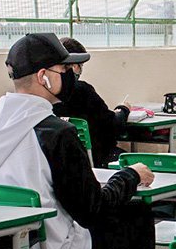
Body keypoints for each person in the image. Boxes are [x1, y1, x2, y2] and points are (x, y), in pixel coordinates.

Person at [0, 32, 157, 249]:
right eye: (64, 69)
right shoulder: (54, 134)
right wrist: (131, 175)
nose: (71, 76)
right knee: (135, 214)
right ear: (44, 77)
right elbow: (92, 211)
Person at [51, 36, 129, 168]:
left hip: (61, 163)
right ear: (73, 65)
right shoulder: (82, 90)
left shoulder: (43, 96)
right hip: (96, 159)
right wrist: (123, 110)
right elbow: (112, 126)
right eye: (80, 65)